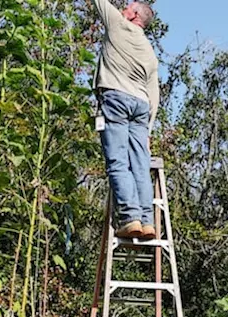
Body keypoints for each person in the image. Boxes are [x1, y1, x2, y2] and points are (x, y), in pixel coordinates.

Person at [90, 0, 160, 239]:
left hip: (116, 99)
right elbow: (154, 95)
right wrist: (148, 129)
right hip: (141, 107)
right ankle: (147, 221)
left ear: (134, 15)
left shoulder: (118, 25)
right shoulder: (150, 53)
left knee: (118, 162)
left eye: (127, 7)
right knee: (140, 165)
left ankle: (130, 218)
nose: (122, 10)